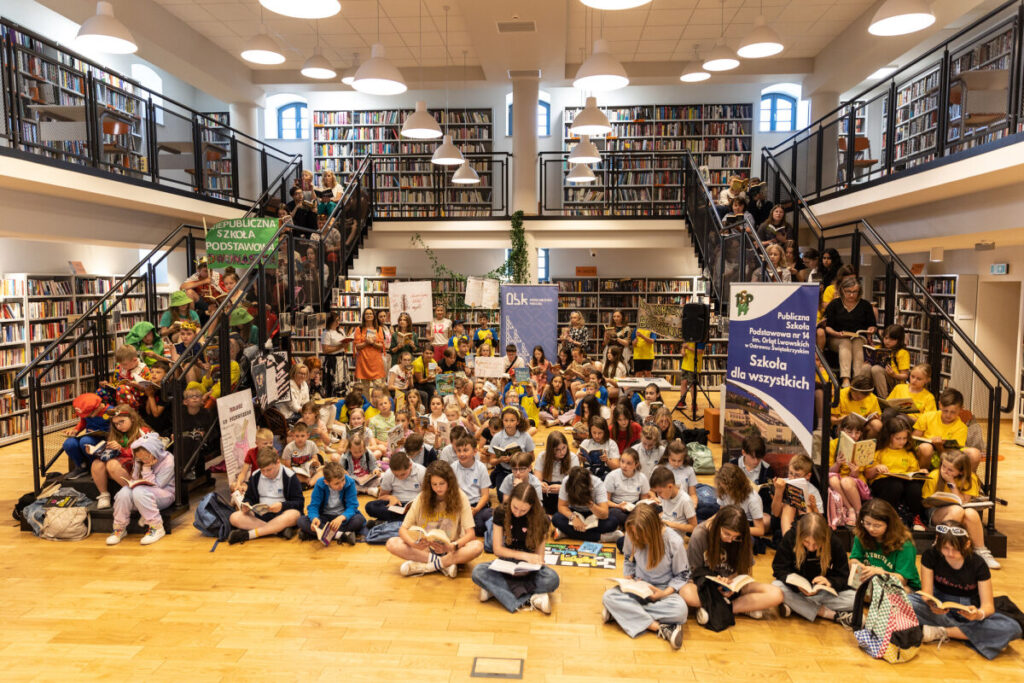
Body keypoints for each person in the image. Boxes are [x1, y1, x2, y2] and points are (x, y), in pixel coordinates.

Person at [910, 522, 1020, 658]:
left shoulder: (978, 564)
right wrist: (931, 605)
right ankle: (965, 633)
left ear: (967, 544)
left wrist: (978, 614)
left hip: (968, 613)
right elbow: (926, 594)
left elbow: (988, 606)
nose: (950, 554)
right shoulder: (930, 556)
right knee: (904, 601)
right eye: (945, 548)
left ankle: (942, 632)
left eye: (956, 549)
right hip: (940, 612)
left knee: (1011, 628)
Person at [601, 505, 689, 650]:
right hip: (638, 586)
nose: (635, 538)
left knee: (681, 611)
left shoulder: (674, 541)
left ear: (652, 530)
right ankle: (660, 628)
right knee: (608, 597)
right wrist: (628, 578)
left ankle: (622, 613)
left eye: (639, 535)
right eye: (633, 534)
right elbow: (629, 560)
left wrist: (664, 593)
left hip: (662, 590)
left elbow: (682, 575)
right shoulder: (631, 533)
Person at [681, 505, 784, 622]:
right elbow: (694, 573)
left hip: (732, 587)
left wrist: (730, 582)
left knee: (776, 594)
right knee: (686, 592)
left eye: (735, 537)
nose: (730, 540)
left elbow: (743, 572)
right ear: (717, 525)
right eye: (726, 534)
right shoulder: (700, 534)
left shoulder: (744, 539)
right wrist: (715, 583)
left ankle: (716, 609)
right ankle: (740, 608)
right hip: (706, 586)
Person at [473, 482, 560, 615]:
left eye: (523, 510)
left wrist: (529, 564)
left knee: (552, 579)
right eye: (515, 508)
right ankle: (533, 598)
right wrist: (524, 556)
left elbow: (540, 558)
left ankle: (495, 591)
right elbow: (497, 549)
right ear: (510, 500)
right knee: (478, 571)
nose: (518, 513)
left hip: (528, 569)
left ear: (531, 507)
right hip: (506, 564)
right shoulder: (501, 512)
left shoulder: (541, 519)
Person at [385, 461, 484, 577]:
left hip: (450, 548)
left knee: (477, 546)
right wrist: (413, 544)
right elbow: (403, 530)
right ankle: (445, 565)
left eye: (442, 483)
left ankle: (428, 566)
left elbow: (470, 534)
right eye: (434, 484)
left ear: (449, 482)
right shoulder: (422, 497)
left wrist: (453, 546)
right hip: (425, 549)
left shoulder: (460, 497)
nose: (438, 488)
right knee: (392, 543)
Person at [771, 513, 856, 627]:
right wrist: (795, 585)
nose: (811, 548)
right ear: (799, 536)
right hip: (797, 591)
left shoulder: (834, 541)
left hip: (822, 592)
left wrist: (830, 582)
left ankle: (797, 607)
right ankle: (827, 614)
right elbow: (779, 568)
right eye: (806, 542)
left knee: (855, 599)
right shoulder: (791, 537)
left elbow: (843, 575)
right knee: (776, 587)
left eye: (816, 544)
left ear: (825, 538)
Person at [922, 449, 1000, 569]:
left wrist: (952, 483)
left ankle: (981, 551)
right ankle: (938, 546)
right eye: (943, 466)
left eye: (950, 470)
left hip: (959, 511)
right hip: (936, 513)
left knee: (970, 513)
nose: (945, 471)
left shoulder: (971, 478)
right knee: (956, 510)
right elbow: (926, 503)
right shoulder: (934, 475)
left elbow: (964, 502)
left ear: (961, 471)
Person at [105, 432, 175, 546]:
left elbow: (157, 485)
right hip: (144, 494)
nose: (144, 460)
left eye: (146, 457)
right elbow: (136, 479)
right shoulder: (139, 461)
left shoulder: (168, 460)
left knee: (139, 491)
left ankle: (156, 527)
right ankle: (119, 528)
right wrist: (137, 472)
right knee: (124, 492)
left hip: (165, 494)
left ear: (154, 451)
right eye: (141, 458)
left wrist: (146, 468)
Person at [228, 447, 304, 545]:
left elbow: (299, 503)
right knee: (234, 517)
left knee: (294, 515)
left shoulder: (289, 476)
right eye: (263, 470)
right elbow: (249, 497)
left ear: (278, 462)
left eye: (269, 470)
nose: (265, 473)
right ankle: (278, 530)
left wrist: (282, 505)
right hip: (261, 516)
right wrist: (246, 504)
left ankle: (249, 534)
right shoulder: (256, 476)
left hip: (282, 514)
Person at [867, 416, 929, 531]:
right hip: (883, 483)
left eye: (904, 438)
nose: (902, 442)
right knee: (895, 485)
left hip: (904, 481)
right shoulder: (879, 451)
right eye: (898, 438)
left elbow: (913, 470)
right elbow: (867, 475)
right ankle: (891, 517)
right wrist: (876, 468)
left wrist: (920, 472)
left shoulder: (908, 453)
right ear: (889, 437)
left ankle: (916, 517)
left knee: (915, 487)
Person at [848, 498, 921, 590]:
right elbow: (854, 559)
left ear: (889, 524)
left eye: (877, 525)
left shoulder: (904, 544)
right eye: (867, 523)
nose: (871, 529)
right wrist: (859, 566)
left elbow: (902, 580)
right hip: (873, 582)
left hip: (902, 586)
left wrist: (880, 573)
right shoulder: (862, 534)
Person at [90, 405, 149, 510]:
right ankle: (104, 495)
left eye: (122, 421)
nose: (119, 426)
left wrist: (121, 449)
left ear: (132, 418)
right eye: (116, 424)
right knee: (96, 463)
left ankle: (136, 494)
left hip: (137, 465)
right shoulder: (116, 433)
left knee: (112, 465)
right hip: (120, 463)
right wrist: (100, 451)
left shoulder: (143, 431)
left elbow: (142, 454)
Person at [823, 275, 876, 386]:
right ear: (842, 290)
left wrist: (871, 329)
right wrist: (836, 333)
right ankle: (846, 379)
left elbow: (872, 325)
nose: (851, 295)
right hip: (837, 338)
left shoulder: (865, 305)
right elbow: (827, 327)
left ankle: (857, 379)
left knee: (857, 344)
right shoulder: (834, 304)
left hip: (858, 337)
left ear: (859, 291)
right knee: (845, 342)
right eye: (848, 291)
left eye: (855, 292)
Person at [913, 388, 981, 471]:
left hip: (948, 458)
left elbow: (951, 457)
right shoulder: (927, 416)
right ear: (940, 405)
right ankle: (921, 477)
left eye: (953, 412)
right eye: (945, 411)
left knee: (975, 453)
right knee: (926, 448)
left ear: (960, 409)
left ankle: (968, 481)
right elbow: (914, 439)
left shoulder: (961, 427)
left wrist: (939, 447)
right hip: (925, 456)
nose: (948, 415)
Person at [298, 462, 364, 545]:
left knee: (359, 520)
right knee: (301, 520)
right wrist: (314, 518)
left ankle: (319, 534)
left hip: (342, 518)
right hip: (324, 518)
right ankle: (342, 535)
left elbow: (352, 506)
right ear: (326, 482)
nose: (341, 485)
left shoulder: (349, 482)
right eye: (336, 483)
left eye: (343, 480)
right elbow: (313, 506)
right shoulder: (319, 484)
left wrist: (342, 517)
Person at [552, 466, 618, 542]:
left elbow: (604, 514)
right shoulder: (567, 481)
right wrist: (573, 518)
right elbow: (562, 506)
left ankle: (567, 533)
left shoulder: (597, 483)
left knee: (612, 522)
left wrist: (590, 504)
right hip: (574, 512)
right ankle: (601, 537)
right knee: (556, 518)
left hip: (593, 514)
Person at [828, 415, 872, 525]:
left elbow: (860, 474)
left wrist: (855, 471)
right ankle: (850, 509)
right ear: (842, 430)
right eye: (849, 432)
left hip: (856, 483)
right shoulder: (833, 444)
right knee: (832, 479)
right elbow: (830, 471)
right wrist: (838, 463)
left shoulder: (863, 446)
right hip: (838, 481)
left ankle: (859, 512)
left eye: (857, 433)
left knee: (846, 481)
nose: (853, 436)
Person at [365, 450, 426, 523]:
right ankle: (407, 521)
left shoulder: (421, 472)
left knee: (425, 511)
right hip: (396, 505)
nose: (400, 478)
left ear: (410, 465)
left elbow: (428, 495)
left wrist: (417, 503)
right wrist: (391, 497)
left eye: (403, 474)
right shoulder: (389, 473)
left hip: (415, 506)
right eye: (396, 475)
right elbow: (381, 497)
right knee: (370, 506)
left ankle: (389, 521)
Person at [770, 454, 823, 535]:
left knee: (805, 506)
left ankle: (806, 538)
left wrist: (814, 506)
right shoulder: (783, 483)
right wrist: (778, 492)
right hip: (783, 521)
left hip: (805, 524)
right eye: (790, 473)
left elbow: (820, 520)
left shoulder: (813, 490)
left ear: (808, 476)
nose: (793, 478)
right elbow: (775, 513)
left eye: (797, 475)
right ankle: (787, 540)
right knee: (789, 505)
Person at [451, 436, 493, 537]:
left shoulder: (481, 468)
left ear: (475, 452)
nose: (461, 454)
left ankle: (467, 527)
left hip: (476, 506)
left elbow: (485, 495)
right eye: (459, 451)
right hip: (459, 506)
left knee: (485, 520)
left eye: (465, 450)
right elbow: (451, 493)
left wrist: (476, 509)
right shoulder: (453, 467)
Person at [488, 406, 535, 493]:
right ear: (502, 421)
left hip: (522, 470)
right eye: (506, 420)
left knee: (528, 493)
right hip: (504, 471)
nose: (508, 424)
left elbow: (532, 458)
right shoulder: (497, 437)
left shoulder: (525, 436)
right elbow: (492, 460)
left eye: (512, 420)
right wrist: (501, 459)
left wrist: (520, 458)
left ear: (518, 422)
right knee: (502, 497)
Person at [62, 392, 111, 477]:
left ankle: (95, 467)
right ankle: (81, 466)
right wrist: (75, 430)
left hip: (104, 439)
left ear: (98, 406)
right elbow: (83, 422)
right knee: (69, 443)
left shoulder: (111, 411)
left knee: (85, 441)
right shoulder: (87, 412)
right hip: (90, 436)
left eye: (89, 415)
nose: (88, 416)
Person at [604, 449, 654, 530]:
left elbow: (643, 499)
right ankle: (635, 524)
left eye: (629, 463)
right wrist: (618, 506)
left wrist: (648, 503)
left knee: (654, 509)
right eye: (622, 461)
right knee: (613, 513)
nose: (624, 465)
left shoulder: (642, 477)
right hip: (617, 505)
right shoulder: (612, 476)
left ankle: (628, 525)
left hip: (634, 506)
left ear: (636, 464)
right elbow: (605, 501)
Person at [535, 431, 579, 515]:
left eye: (564, 448)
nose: (562, 452)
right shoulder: (542, 456)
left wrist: (562, 488)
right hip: (547, 488)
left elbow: (574, 482)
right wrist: (540, 484)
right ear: (551, 450)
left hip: (565, 488)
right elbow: (536, 479)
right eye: (557, 450)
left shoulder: (573, 457)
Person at [719, 461, 769, 537]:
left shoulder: (753, 499)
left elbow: (760, 530)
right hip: (729, 523)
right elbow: (721, 514)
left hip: (745, 528)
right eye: (724, 489)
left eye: (729, 490)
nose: (727, 492)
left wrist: (734, 530)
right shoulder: (723, 490)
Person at [649, 465, 697, 538]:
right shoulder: (665, 494)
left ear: (670, 487)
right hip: (663, 526)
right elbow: (667, 513)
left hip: (673, 535)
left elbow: (693, 527)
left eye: (659, 492)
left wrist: (671, 524)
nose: (658, 495)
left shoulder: (685, 500)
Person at [353, 307, 386, 390]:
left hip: (376, 363)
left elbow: (381, 346)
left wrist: (373, 343)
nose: (369, 315)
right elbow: (357, 346)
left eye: (370, 313)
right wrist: (366, 343)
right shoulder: (359, 329)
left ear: (374, 316)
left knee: (378, 388)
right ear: (364, 316)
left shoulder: (379, 329)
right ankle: (367, 403)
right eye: (367, 314)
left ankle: (377, 403)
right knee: (364, 389)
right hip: (363, 362)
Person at [320, 312, 350, 395]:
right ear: (330, 321)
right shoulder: (326, 333)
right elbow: (325, 350)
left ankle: (343, 397)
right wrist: (340, 347)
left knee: (343, 380)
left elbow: (344, 346)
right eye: (336, 321)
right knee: (334, 382)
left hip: (342, 358)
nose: (338, 323)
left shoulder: (341, 331)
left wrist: (346, 344)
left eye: (338, 320)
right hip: (332, 360)